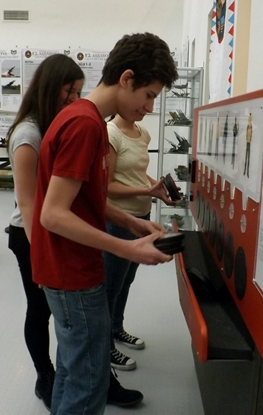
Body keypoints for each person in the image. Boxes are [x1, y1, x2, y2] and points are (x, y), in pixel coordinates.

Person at [30, 32, 179, 414]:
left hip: (67, 269)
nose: (149, 107)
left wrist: (130, 223)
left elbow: (85, 198)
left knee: (72, 372)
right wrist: (127, 248)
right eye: (148, 95)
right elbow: (53, 214)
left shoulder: (85, 119)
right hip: (73, 272)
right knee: (89, 381)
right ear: (126, 78)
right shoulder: (86, 124)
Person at [6, 54, 84, 410]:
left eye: (79, 92)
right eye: (69, 90)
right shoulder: (28, 135)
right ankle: (44, 375)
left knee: (54, 309)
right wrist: (42, 258)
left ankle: (63, 372)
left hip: (49, 230)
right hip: (29, 235)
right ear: (50, 87)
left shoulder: (53, 124)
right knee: (39, 310)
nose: (74, 98)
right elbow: (28, 204)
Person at [104, 114, 175, 371]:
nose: (148, 107)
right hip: (120, 220)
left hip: (142, 217)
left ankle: (116, 328)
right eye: (146, 97)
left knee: (126, 280)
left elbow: (139, 174)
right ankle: (104, 346)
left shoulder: (143, 133)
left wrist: (157, 189)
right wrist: (147, 191)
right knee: (111, 285)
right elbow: (107, 186)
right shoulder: (110, 134)